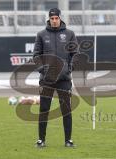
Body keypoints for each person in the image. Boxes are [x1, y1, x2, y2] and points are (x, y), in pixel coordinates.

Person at [33, 8, 78, 148]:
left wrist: (69, 69)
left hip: (64, 79)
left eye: (56, 18)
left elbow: (75, 55)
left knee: (66, 110)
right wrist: (43, 70)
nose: (54, 21)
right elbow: (36, 55)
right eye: (52, 18)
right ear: (49, 19)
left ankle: (68, 140)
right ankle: (41, 140)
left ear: (60, 18)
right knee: (44, 109)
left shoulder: (70, 34)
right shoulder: (41, 35)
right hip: (46, 79)